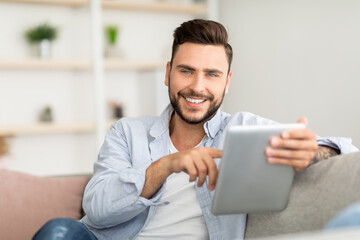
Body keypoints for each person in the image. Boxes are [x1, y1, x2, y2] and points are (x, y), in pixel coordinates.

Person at [33, 19, 358, 240]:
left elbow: (346, 150)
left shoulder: (243, 128)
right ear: (168, 74)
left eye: (212, 75)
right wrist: (167, 165)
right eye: (186, 71)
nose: (197, 87)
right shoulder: (127, 132)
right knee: (58, 230)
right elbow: (97, 209)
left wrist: (314, 151)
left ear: (227, 82)